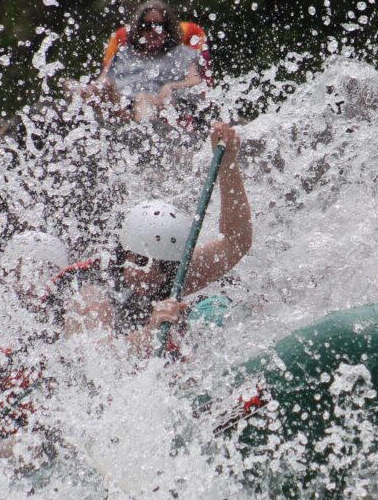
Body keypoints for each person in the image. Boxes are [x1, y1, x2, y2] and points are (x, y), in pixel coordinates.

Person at [54, 122, 252, 356]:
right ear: (124, 253)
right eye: (141, 262)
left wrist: (228, 165)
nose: (152, 274)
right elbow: (95, 361)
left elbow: (235, 242)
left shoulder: (166, 272)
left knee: (212, 311)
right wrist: (150, 331)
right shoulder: (92, 289)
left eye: (165, 267)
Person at [85, 0, 205, 123]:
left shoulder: (181, 53)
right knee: (89, 88)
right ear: (139, 29)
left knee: (142, 99)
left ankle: (137, 133)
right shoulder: (124, 53)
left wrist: (170, 86)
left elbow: (196, 80)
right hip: (120, 106)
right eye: (148, 26)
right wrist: (89, 89)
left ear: (168, 28)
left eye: (159, 26)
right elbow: (103, 79)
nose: (154, 31)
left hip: (156, 105)